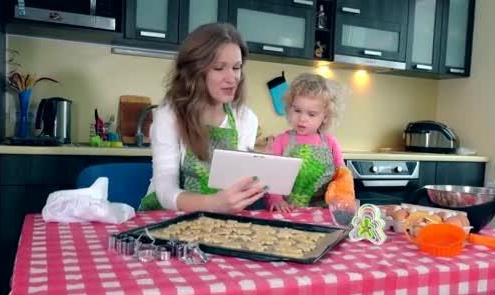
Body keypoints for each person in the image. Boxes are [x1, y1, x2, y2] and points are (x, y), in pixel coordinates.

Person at [139, 23, 265, 213]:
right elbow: (164, 191)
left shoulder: (246, 119)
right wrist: (211, 204)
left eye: (236, 67)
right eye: (218, 68)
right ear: (195, 72)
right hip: (165, 216)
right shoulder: (170, 115)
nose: (232, 78)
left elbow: (235, 185)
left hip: (219, 219)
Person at [266, 73, 345, 213]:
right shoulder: (281, 141)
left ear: (325, 117)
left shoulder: (331, 143)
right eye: (297, 110)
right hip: (287, 211)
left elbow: (342, 177)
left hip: (323, 213)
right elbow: (271, 176)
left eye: (311, 114)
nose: (302, 118)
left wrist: (342, 200)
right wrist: (276, 199)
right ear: (289, 108)